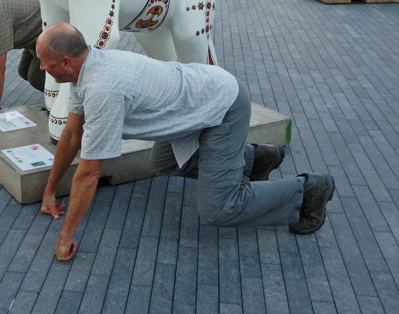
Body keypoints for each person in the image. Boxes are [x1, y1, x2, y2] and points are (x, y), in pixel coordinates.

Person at [39, 24, 335, 262]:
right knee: (163, 162)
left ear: (66, 62)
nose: (41, 67)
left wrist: (65, 238)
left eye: (44, 62)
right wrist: (50, 190)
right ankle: (257, 159)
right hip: (195, 102)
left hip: (222, 105)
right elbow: (72, 136)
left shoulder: (103, 89)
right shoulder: (85, 71)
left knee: (219, 208)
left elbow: (89, 173)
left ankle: (308, 191)